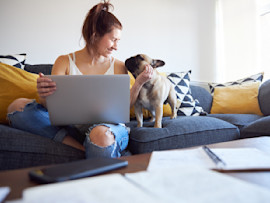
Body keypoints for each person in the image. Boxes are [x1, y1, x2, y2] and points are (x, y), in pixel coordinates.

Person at [6, 0, 153, 158]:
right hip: (71, 128)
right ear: (95, 35)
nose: (116, 46)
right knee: (17, 107)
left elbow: (125, 106)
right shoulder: (64, 62)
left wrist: (138, 83)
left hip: (107, 129)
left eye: (118, 41)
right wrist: (44, 95)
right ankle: (84, 150)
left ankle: (96, 146)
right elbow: (50, 107)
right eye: (113, 39)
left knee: (100, 135)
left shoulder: (118, 66)